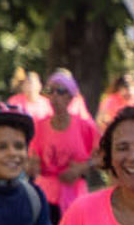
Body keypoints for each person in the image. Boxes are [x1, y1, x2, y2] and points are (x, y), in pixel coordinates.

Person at [32, 73, 97, 214]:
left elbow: (102, 157)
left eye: (61, 91)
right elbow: (33, 158)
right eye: (51, 91)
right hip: (45, 196)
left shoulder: (85, 127)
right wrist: (33, 165)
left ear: (71, 97)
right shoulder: (39, 126)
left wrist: (81, 168)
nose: (55, 96)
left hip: (76, 196)